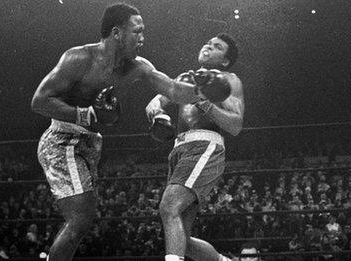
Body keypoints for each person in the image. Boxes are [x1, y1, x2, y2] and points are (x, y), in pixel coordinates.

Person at [31, 3, 215, 261]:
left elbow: (172, 89)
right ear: (116, 33)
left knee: (83, 220)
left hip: (90, 142)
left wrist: (203, 89)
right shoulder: (79, 58)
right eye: (137, 32)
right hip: (62, 139)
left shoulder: (137, 66)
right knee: (80, 219)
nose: (142, 38)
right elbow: (39, 101)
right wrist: (84, 115)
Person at [145, 33, 244, 261]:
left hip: (205, 146)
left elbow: (236, 125)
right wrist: (157, 115)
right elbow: (155, 102)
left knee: (169, 207)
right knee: (183, 240)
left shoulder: (229, 79)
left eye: (217, 47)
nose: (208, 46)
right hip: (179, 150)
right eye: (208, 42)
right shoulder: (185, 77)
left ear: (225, 61)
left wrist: (205, 101)